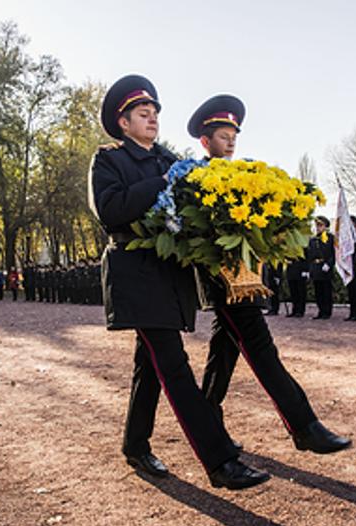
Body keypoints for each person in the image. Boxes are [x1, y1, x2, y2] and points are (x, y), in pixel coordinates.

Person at [90, 75, 268, 489]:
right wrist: (160, 185)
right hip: (137, 275)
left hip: (170, 275)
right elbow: (110, 210)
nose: (152, 120)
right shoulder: (109, 161)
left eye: (154, 114)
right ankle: (220, 462)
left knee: (149, 367)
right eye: (142, 114)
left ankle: (135, 445)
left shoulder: (169, 159)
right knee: (174, 367)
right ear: (123, 123)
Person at [190, 94, 351, 457]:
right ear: (205, 141)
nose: (230, 141)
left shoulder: (249, 174)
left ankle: (208, 419)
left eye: (234, 134)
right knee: (261, 348)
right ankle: (303, 425)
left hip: (249, 274)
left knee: (224, 351)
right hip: (222, 279)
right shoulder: (194, 179)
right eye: (222, 135)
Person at [306, 216, 335, 319]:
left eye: (320, 225)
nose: (318, 227)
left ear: (326, 226)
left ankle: (327, 312)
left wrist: (329, 263)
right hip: (316, 267)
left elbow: (334, 253)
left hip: (325, 267)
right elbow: (309, 256)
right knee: (318, 291)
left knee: (326, 291)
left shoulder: (330, 238)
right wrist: (309, 269)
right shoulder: (313, 239)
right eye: (317, 225)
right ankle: (321, 310)